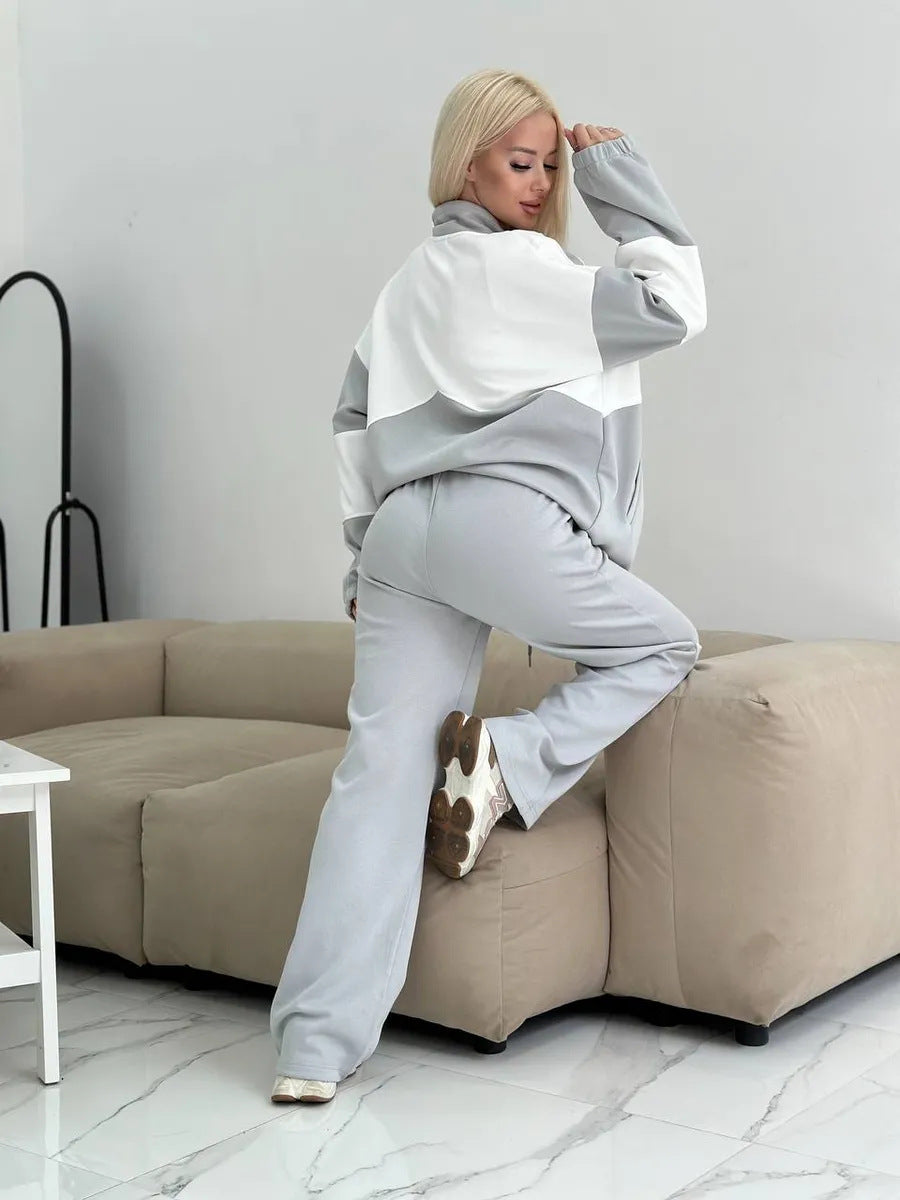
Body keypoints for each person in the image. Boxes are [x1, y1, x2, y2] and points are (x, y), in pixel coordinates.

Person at [269, 67, 707, 1104]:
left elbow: (351, 422)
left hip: (399, 538)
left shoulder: (404, 287)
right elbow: (673, 305)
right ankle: (509, 759)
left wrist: (361, 552)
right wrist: (616, 176)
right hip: (500, 522)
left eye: (552, 165)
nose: (542, 182)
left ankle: (310, 1049)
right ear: (466, 164)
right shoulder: (528, 270)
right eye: (522, 162)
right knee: (664, 644)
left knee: (377, 777)